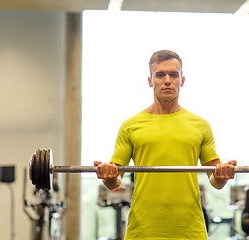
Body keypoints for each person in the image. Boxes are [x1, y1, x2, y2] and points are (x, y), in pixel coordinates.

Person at [95, 50, 236, 239]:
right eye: (160, 75)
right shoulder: (131, 126)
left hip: (189, 230)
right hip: (143, 230)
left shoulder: (200, 125)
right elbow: (114, 182)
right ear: (150, 81)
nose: (167, 80)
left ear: (182, 80)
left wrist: (223, 174)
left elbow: (216, 181)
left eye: (174, 75)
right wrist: (107, 174)